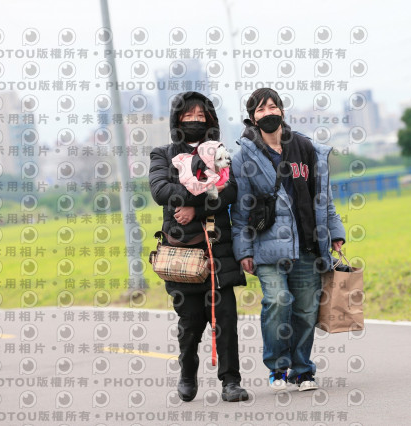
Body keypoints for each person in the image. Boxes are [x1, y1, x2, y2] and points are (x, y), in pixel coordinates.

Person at [231, 88, 346, 392]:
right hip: (266, 246)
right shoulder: (244, 157)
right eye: (260, 110)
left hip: (307, 243)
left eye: (272, 107)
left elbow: (323, 198)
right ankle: (277, 367)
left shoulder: (306, 148)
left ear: (282, 111)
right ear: (252, 118)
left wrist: (335, 232)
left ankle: (302, 370)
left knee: (306, 310)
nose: (267, 113)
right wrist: (243, 251)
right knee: (278, 300)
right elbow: (240, 210)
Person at [148, 91, 249, 402]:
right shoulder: (162, 155)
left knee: (226, 319)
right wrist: (205, 193)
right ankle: (187, 372)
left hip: (218, 249)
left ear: (210, 120)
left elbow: (230, 190)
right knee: (190, 322)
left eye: (200, 116)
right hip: (183, 252)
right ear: (177, 120)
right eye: (188, 116)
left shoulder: (220, 151)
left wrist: (196, 208)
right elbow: (160, 189)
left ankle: (230, 382)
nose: (194, 121)